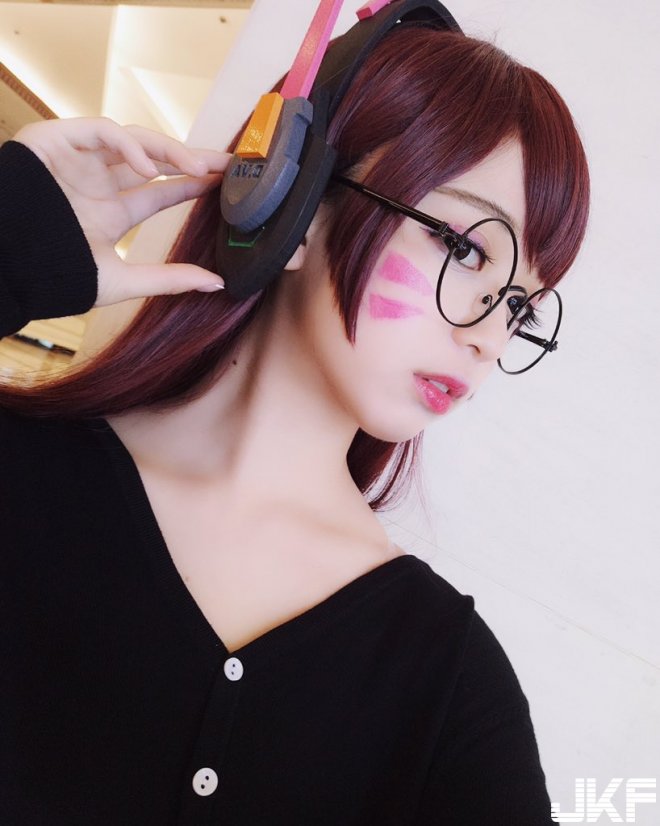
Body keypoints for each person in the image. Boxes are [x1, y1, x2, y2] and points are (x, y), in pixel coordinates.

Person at [0, 18, 589, 826]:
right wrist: (11, 238)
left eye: (520, 303)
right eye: (463, 247)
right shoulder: (21, 470)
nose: (489, 334)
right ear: (296, 198)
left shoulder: (445, 679)